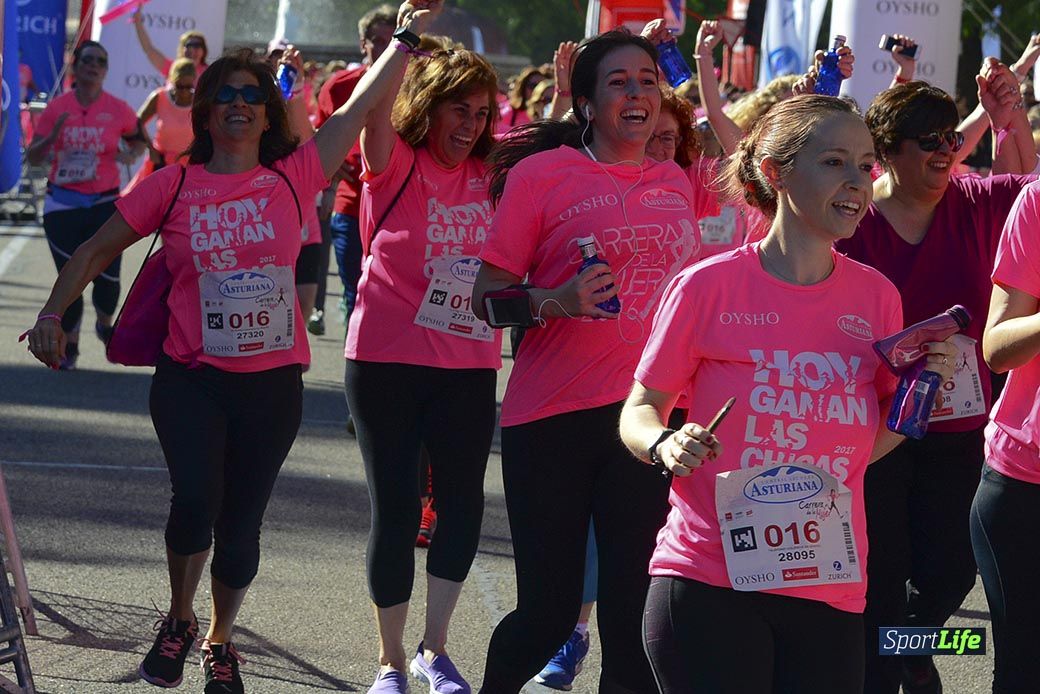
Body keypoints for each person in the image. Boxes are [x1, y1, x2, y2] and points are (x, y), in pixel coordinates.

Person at [22, 43, 376, 693]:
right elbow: (97, 248)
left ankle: (219, 639)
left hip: (271, 386)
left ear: (267, 115)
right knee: (194, 503)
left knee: (240, 531)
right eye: (227, 97)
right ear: (207, 113)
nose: (239, 106)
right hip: (191, 379)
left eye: (252, 96)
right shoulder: (174, 183)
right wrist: (51, 312)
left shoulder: (295, 176)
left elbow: (357, 113)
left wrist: (406, 41)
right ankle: (180, 619)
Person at [619, 94, 957, 694]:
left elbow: (877, 435)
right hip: (710, 578)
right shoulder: (707, 287)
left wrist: (922, 388)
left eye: (864, 164)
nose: (857, 181)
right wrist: (665, 443)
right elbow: (640, 409)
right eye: (834, 162)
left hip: (828, 582)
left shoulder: (877, 299)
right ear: (775, 172)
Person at [473, 27, 703, 693]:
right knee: (547, 614)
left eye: (648, 81)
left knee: (637, 622)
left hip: (652, 421)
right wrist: (556, 300)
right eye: (619, 82)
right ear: (586, 104)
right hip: (553, 419)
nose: (638, 94)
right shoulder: (542, 177)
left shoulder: (674, 181)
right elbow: (485, 300)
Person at [834, 64, 1035, 694]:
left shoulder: (976, 202)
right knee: (882, 572)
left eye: (953, 138)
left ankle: (910, 651)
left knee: (951, 574)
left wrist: (1009, 117)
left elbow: (1029, 183)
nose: (947, 151)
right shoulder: (855, 222)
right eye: (930, 141)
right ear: (887, 152)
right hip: (879, 425)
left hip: (962, 429)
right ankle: (885, 668)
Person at [341, 2, 501, 691]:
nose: (470, 126)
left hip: (467, 363)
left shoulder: (493, 176)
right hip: (385, 359)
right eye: (458, 111)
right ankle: (389, 660)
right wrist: (405, 41)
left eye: (481, 114)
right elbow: (365, 105)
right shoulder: (395, 159)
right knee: (398, 506)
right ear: (429, 109)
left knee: (462, 503)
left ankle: (435, 649)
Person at [25, 40, 146, 370]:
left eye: (101, 61)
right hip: (63, 203)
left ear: (105, 71)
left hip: (105, 201)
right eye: (88, 60)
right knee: (71, 276)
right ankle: (71, 345)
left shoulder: (118, 108)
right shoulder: (57, 108)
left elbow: (139, 138)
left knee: (108, 278)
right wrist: (51, 139)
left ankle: (105, 324)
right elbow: (34, 157)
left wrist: (131, 153)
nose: (94, 65)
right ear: (75, 66)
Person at [975, 178, 1040, 693]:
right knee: (1023, 668)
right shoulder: (1037, 202)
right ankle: (913, 651)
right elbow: (996, 347)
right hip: (1025, 480)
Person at [315, 4, 397, 334]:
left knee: (393, 299)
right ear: (363, 43)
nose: (385, 46)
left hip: (398, 208)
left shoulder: (416, 85)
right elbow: (319, 143)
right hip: (350, 206)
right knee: (355, 293)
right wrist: (334, 173)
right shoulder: (338, 87)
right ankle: (358, 373)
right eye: (378, 39)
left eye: (394, 39)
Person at [125, 58, 196, 194]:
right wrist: (150, 149)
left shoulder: (199, 101)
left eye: (189, 87)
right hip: (160, 164)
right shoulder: (161, 96)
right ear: (172, 82)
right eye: (180, 87)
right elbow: (138, 121)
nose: (185, 92)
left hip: (189, 167)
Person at [133, 10, 208, 80]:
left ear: (204, 51)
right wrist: (137, 21)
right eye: (188, 45)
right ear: (181, 50)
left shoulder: (210, 73)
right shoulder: (173, 69)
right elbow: (149, 49)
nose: (192, 50)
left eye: (197, 45)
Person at [495, 66, 549, 134]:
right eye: (533, 85)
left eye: (541, 86)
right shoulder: (509, 111)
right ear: (523, 87)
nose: (536, 90)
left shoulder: (548, 112)